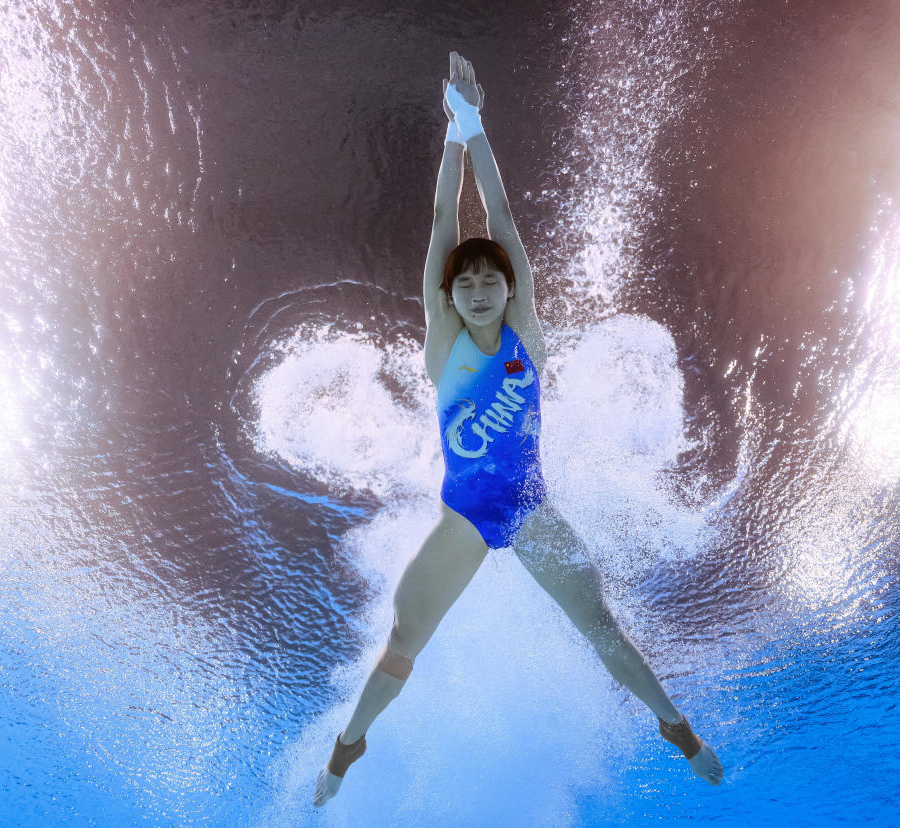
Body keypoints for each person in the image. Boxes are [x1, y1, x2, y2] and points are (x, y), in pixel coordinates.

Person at [313, 51, 723, 807]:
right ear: (451, 295)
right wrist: (450, 132)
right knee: (402, 645)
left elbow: (499, 222)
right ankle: (346, 749)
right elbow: (447, 222)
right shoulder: (442, 343)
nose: (476, 288)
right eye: (464, 281)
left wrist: (477, 127)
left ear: (510, 288)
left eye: (490, 280)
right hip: (463, 520)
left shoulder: (526, 336)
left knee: (602, 627)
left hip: (532, 512)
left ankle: (679, 731)